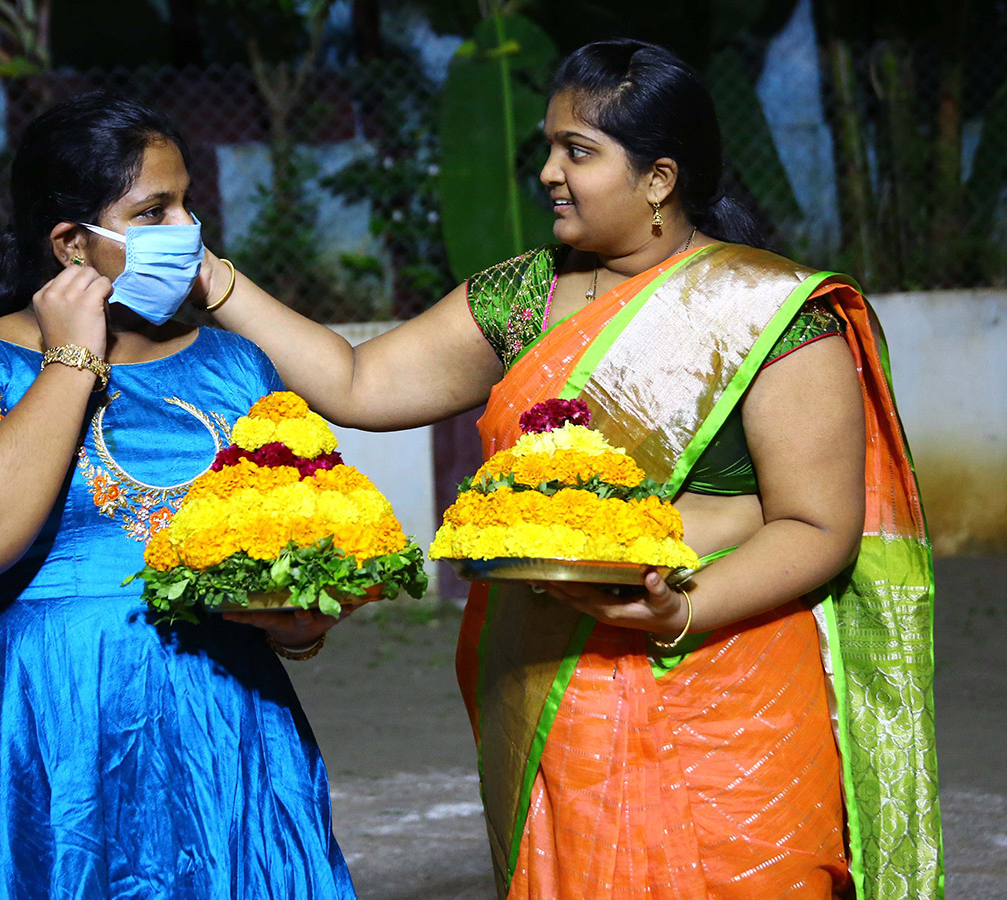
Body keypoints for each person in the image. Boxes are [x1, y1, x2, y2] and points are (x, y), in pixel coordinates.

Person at [197, 38, 941, 900]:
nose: (549, 171)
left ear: (659, 178)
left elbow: (818, 526)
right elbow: (360, 382)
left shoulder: (769, 311)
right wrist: (217, 281)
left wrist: (680, 610)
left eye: (577, 152)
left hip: (732, 684)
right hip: (556, 683)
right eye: (549, 147)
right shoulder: (520, 298)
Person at [0, 91, 357, 899]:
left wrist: (304, 621)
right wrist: (70, 360)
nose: (187, 232)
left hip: (221, 741)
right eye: (154, 211)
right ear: (71, 244)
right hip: (38, 740)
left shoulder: (236, 369)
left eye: (188, 204)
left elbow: (303, 550)